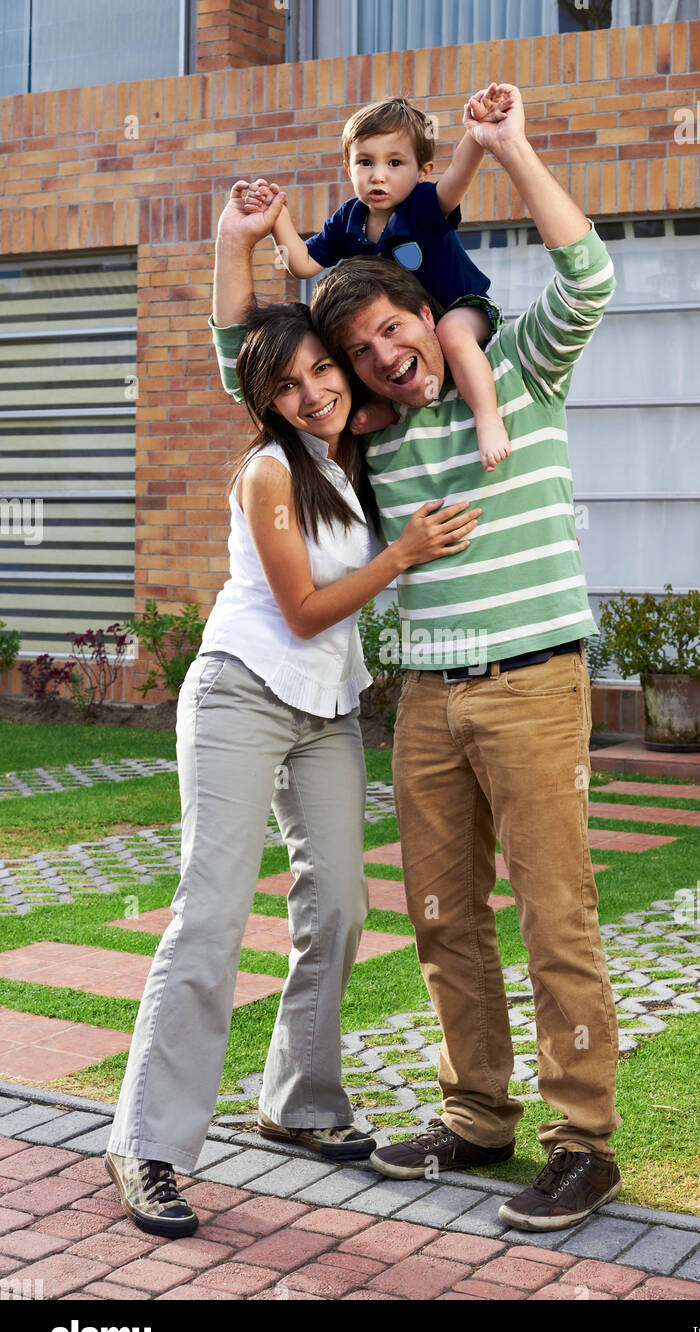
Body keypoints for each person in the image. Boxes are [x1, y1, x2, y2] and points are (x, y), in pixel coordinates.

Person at [213, 82, 623, 1235]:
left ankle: (581, 1142)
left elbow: (590, 276)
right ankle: (475, 1115)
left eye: (392, 329)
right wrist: (234, 247)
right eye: (358, 350)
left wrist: (512, 148)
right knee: (443, 916)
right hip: (426, 704)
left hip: (534, 682)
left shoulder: (526, 374)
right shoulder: (370, 445)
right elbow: (246, 366)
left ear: (422, 310)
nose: (382, 357)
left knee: (555, 914)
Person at [102, 189, 481, 1239]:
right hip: (239, 688)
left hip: (324, 706)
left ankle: (297, 1105)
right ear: (261, 398)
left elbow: (373, 305)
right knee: (212, 913)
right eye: (292, 381)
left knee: (343, 905)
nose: (315, 389)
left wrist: (297, 239)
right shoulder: (270, 470)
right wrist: (234, 238)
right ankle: (148, 1145)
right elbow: (306, 607)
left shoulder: (344, 450)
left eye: (325, 369)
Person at [242, 88, 512, 472]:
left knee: (451, 333)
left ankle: (488, 417)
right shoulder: (348, 220)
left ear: (422, 172)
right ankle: (386, 405)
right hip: (405, 331)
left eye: (395, 162)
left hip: (463, 309)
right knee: (360, 345)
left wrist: (477, 134)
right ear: (349, 168)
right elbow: (300, 264)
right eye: (366, 162)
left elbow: (457, 180)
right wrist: (276, 217)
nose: (378, 175)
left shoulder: (421, 206)